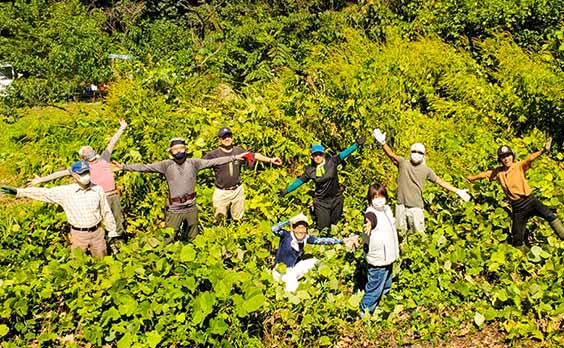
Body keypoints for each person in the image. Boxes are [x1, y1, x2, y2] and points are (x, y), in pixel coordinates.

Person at [111, 137, 248, 242]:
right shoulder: (166, 165)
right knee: (169, 238)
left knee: (193, 237)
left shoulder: (194, 163)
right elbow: (146, 167)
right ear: (171, 152)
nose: (179, 151)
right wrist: (124, 167)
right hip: (175, 208)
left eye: (181, 148)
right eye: (175, 149)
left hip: (191, 207)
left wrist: (234, 157)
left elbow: (214, 161)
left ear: (186, 149)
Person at [28, 118, 128, 251]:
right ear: (84, 158)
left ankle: (119, 246)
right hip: (97, 198)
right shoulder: (82, 168)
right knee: (102, 224)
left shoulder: (103, 159)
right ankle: (108, 246)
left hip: (112, 195)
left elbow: (112, 143)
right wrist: (41, 180)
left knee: (116, 221)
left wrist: (122, 128)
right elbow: (61, 173)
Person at [1, 161, 117, 258]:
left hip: (97, 233)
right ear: (74, 175)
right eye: (82, 173)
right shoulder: (66, 192)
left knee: (102, 262)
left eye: (87, 172)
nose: (85, 176)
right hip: (79, 235)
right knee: (78, 265)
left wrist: (111, 231)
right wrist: (19, 192)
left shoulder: (98, 190)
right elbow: (44, 193)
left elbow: (106, 211)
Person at [466, 139, 564, 247]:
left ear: (512, 156)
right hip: (518, 207)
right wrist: (471, 178)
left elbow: (529, 158)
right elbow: (484, 174)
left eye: (508, 156)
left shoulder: (518, 166)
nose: (506, 159)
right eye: (503, 157)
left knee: (550, 216)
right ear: (500, 160)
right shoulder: (499, 173)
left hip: (530, 201)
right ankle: (520, 258)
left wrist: (543, 150)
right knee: (517, 237)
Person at [372, 128, 470, 235]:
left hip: (416, 208)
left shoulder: (426, 170)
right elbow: (391, 154)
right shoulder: (403, 163)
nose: (416, 154)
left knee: (418, 235)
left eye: (419, 152)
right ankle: (402, 251)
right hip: (401, 205)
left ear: (423, 155)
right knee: (399, 234)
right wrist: (383, 143)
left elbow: (440, 182)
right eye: (414, 151)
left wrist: (457, 191)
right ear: (410, 152)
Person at [279, 136, 366, 232]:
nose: (317, 157)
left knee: (334, 226)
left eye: (320, 154)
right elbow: (299, 182)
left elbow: (344, 153)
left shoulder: (332, 161)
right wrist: (286, 191)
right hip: (321, 203)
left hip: (336, 199)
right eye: (315, 155)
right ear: (311, 157)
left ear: (323, 155)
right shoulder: (310, 170)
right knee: (323, 228)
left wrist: (356, 144)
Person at [203, 127, 282, 222]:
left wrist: (270, 160)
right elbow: (199, 164)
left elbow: (254, 155)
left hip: (237, 190)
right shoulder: (213, 154)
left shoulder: (239, 151)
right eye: (224, 137)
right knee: (219, 219)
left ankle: (239, 234)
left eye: (229, 136)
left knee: (238, 219)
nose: (227, 139)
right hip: (221, 191)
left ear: (232, 138)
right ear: (219, 140)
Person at [271, 213, 358, 292]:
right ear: (293, 229)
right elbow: (274, 229)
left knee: (314, 261)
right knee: (292, 286)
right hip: (279, 272)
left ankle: (312, 281)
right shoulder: (286, 235)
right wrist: (289, 221)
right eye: (298, 227)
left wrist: (341, 241)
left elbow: (322, 241)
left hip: (291, 269)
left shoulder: (306, 238)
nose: (300, 231)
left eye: (303, 228)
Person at [360, 183, 399, 317]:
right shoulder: (371, 212)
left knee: (386, 283)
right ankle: (364, 312)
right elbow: (370, 219)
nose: (379, 199)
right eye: (375, 197)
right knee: (374, 288)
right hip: (378, 258)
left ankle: (381, 305)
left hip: (388, 256)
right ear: (370, 199)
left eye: (381, 196)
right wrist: (369, 224)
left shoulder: (386, 209)